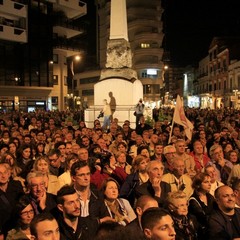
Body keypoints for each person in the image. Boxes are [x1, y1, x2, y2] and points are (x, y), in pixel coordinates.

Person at [188, 172, 215, 239]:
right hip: (202, 233)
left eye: (210, 182)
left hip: (213, 228)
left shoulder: (210, 197)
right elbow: (202, 218)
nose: (209, 184)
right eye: (206, 182)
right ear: (198, 185)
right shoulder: (193, 200)